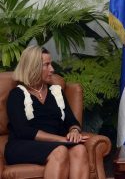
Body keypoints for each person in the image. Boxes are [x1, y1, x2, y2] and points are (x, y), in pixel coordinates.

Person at [5, 46, 90, 179]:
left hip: (55, 144)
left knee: (80, 149)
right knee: (60, 151)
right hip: (22, 145)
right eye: (47, 65)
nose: (52, 69)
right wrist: (62, 140)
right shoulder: (17, 95)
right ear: (34, 67)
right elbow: (23, 131)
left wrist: (74, 131)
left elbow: (72, 121)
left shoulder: (56, 92)